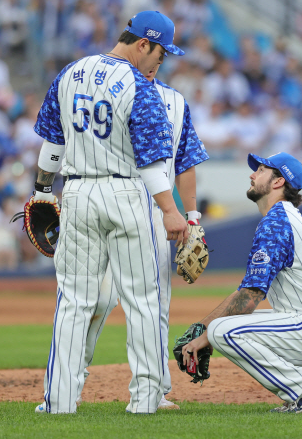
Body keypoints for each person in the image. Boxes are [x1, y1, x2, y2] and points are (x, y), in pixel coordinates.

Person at [33, 11, 189, 414]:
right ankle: (145, 401)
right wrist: (172, 212)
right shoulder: (140, 83)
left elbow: (52, 145)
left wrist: (41, 189)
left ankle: (59, 403)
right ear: (142, 44)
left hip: (78, 192)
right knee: (142, 301)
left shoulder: (70, 72)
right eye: (160, 53)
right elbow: (153, 163)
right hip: (125, 192)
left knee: (73, 302)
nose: (161, 62)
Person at [75, 60, 209, 411]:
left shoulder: (176, 102)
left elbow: (186, 160)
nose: (154, 65)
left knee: (155, 306)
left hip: (155, 213)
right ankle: (69, 385)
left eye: (161, 59)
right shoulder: (113, 93)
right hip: (113, 203)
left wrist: (192, 217)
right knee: (97, 300)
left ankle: (154, 390)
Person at [180, 152, 302, 413]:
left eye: (261, 170)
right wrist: (199, 328)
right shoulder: (283, 218)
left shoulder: (276, 222)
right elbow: (245, 291)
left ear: (278, 182)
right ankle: (301, 388)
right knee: (219, 327)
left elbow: (250, 297)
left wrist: (205, 335)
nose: (252, 174)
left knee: (222, 331)